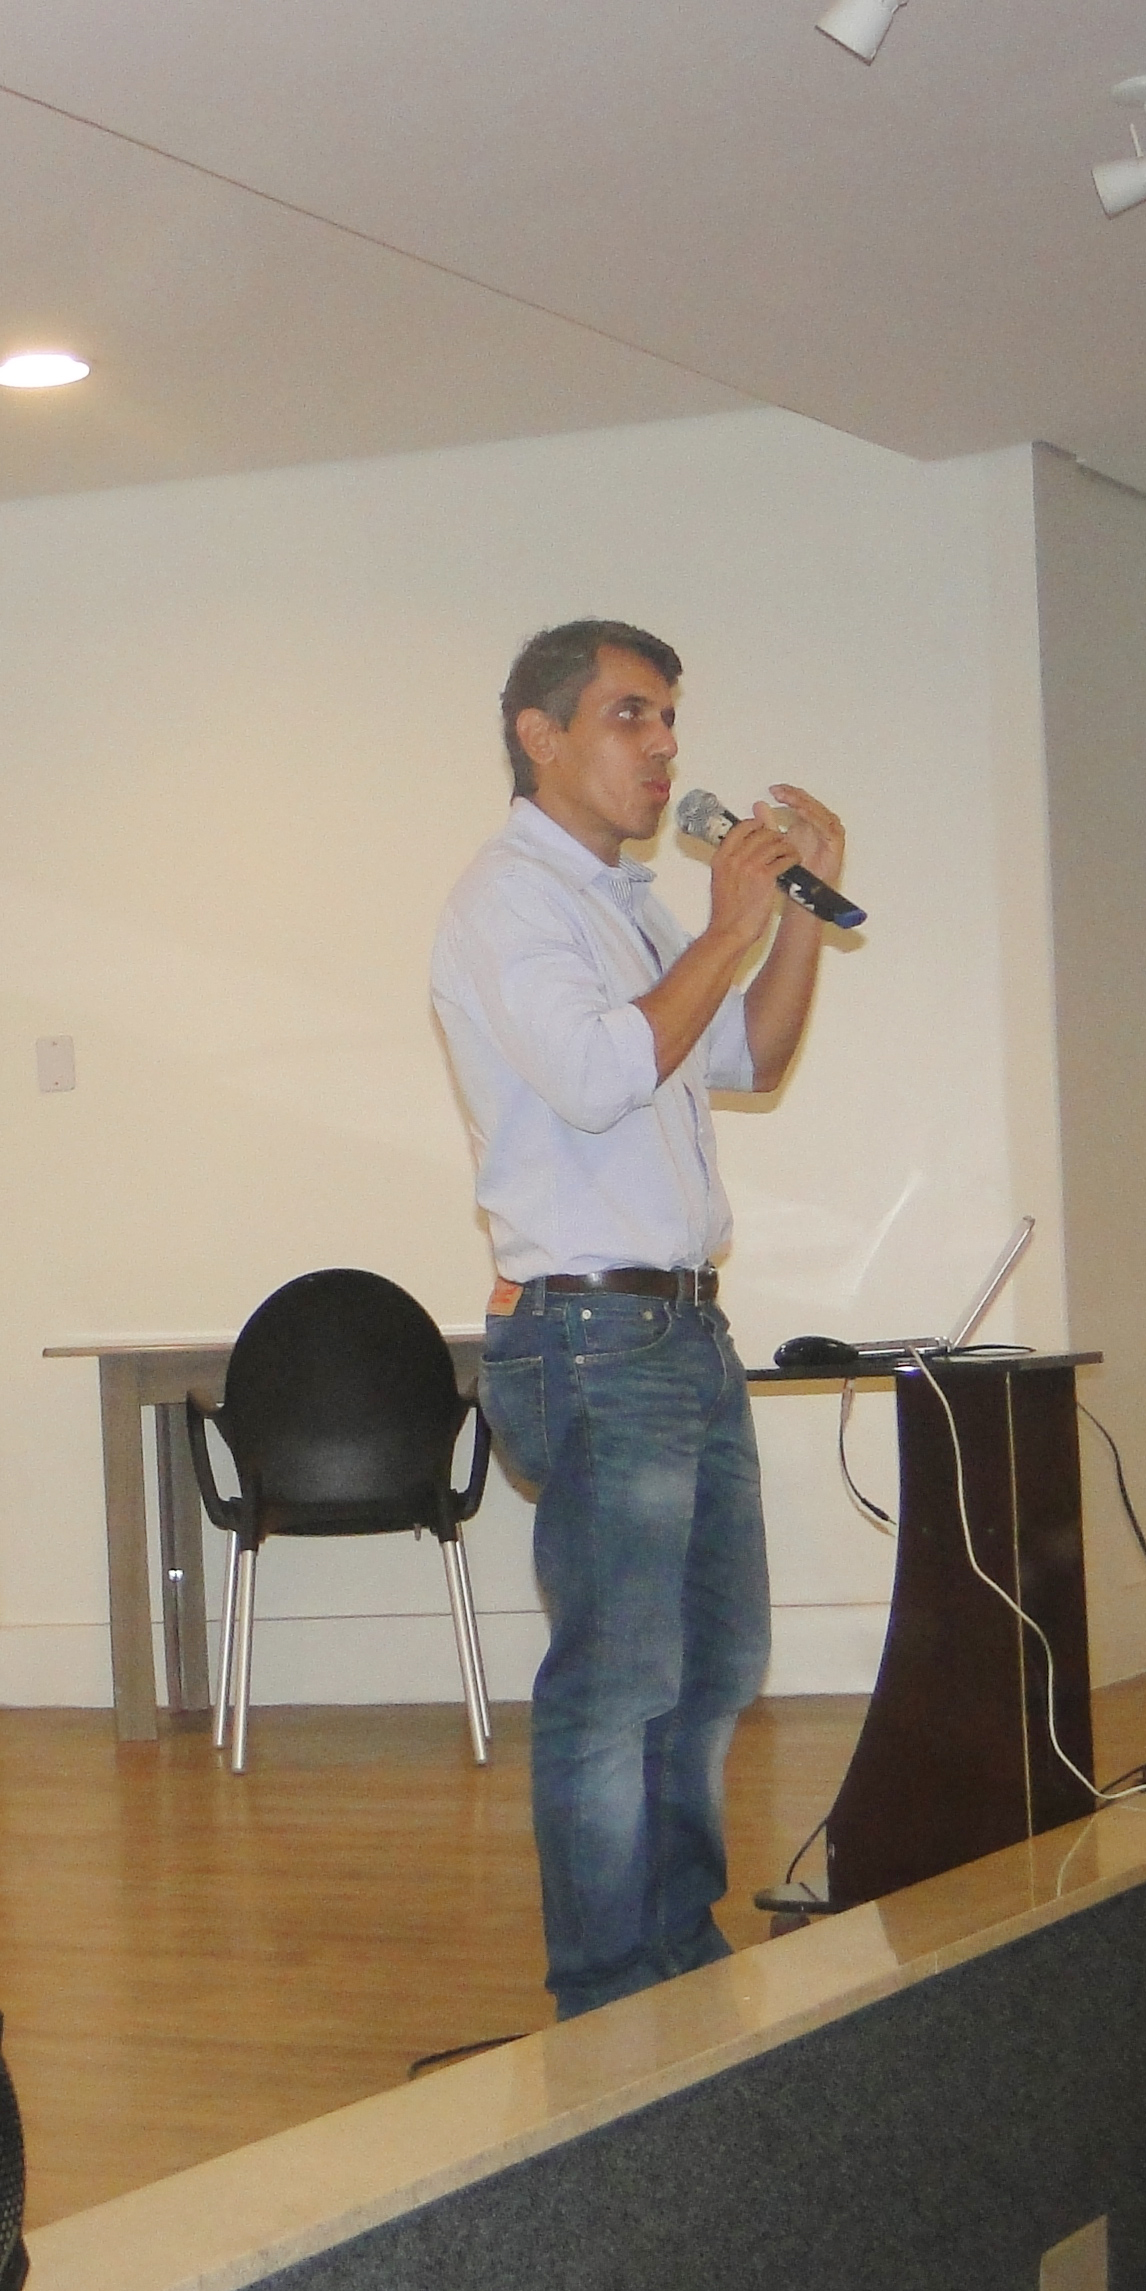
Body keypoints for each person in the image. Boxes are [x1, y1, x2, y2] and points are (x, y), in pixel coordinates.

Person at [428, 618, 845, 2019]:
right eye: (630, 716)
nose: (664, 747)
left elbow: (750, 1055)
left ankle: (675, 1960)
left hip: (682, 1332)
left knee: (716, 1664)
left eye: (670, 718)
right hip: (593, 1336)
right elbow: (603, 1073)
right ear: (540, 736)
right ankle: (607, 1996)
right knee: (618, 1680)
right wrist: (729, 926)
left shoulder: (628, 906)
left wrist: (792, 917)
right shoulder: (510, 903)